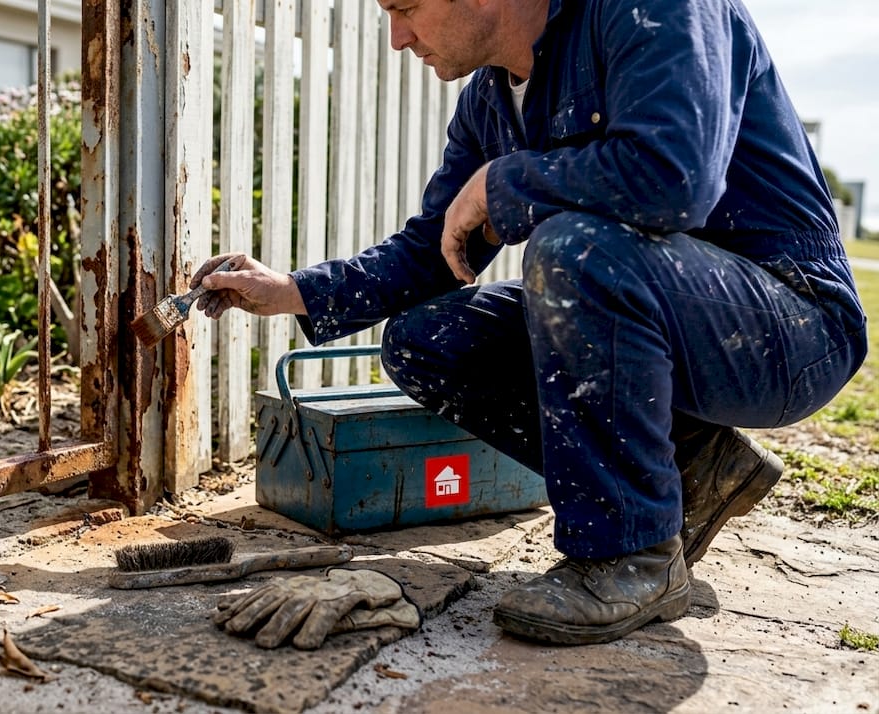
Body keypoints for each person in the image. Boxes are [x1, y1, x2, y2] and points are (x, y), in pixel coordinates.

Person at [188, 0, 868, 646]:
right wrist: (291, 291)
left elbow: (675, 178)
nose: (398, 38)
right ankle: (694, 463)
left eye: (404, 9)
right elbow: (435, 251)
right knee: (427, 340)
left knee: (576, 247)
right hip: (679, 318)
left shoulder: (653, 10)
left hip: (791, 325)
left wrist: (504, 182)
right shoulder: (491, 99)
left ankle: (630, 558)